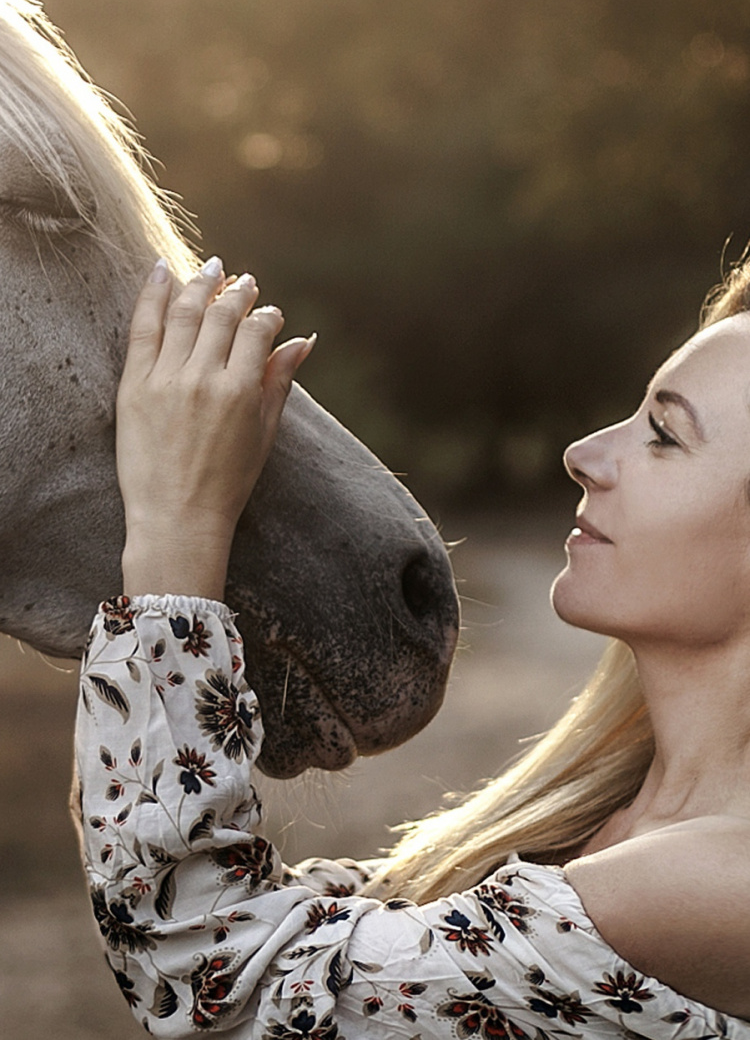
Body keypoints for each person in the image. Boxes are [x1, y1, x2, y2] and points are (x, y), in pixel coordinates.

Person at [75, 252, 750, 1038]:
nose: (584, 454)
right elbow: (311, 938)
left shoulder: (714, 885)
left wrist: (175, 525)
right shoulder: (610, 822)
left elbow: (216, 980)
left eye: (664, 434)